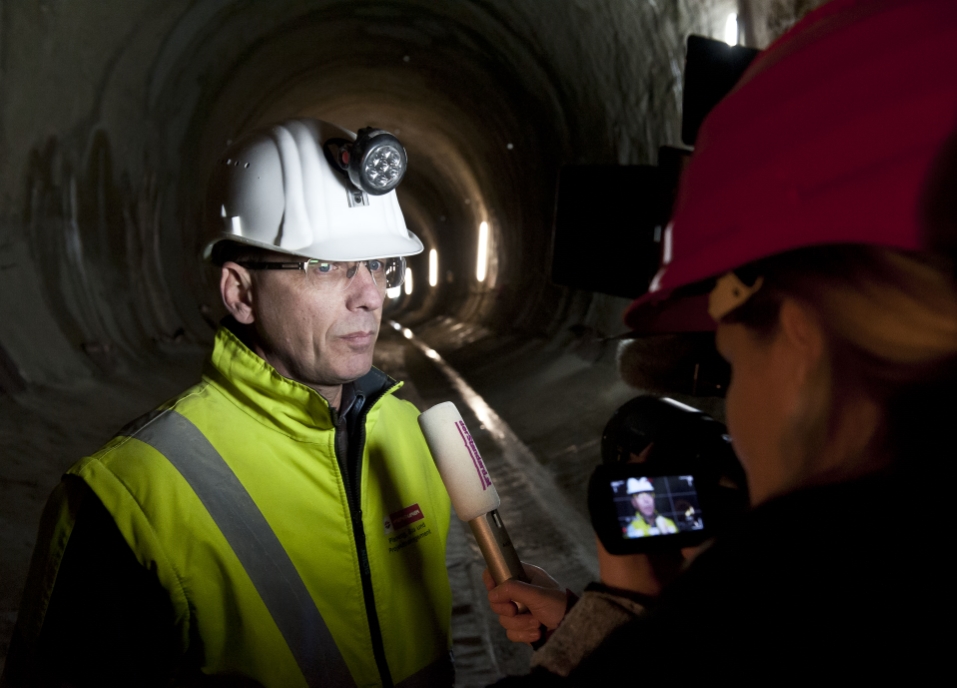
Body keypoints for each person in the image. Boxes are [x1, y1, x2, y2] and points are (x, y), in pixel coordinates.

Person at [483, 0, 957, 681]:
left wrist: (647, 630)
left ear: (800, 333)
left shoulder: (773, 608)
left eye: (728, 367)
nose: (728, 417)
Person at [2, 119, 453, 688]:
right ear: (240, 292)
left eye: (379, 264)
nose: (369, 295)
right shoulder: (129, 498)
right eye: (325, 266)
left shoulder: (413, 435)